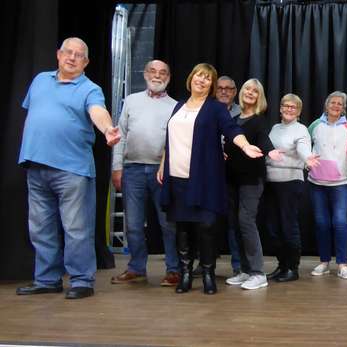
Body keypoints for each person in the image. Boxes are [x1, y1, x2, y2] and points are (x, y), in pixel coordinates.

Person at [16, 37, 121, 299]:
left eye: (79, 55)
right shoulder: (40, 80)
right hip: (36, 166)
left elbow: (98, 111)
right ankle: (47, 279)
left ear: (85, 62)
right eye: (68, 53)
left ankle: (82, 280)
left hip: (72, 170)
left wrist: (108, 129)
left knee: (76, 228)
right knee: (40, 228)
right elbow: (34, 112)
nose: (72, 58)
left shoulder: (90, 89)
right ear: (58, 55)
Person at [157, 63, 263, 295]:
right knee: (182, 228)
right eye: (199, 75)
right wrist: (164, 163)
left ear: (211, 85)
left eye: (207, 78)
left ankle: (207, 274)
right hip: (177, 178)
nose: (202, 80)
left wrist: (245, 146)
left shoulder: (215, 108)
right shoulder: (178, 106)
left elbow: (232, 129)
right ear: (191, 78)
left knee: (206, 227)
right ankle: (185, 275)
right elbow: (171, 138)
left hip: (203, 179)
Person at [110, 60, 179, 287]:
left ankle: (173, 270)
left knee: (168, 224)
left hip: (163, 173)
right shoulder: (131, 101)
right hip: (133, 170)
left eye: (163, 72)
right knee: (133, 225)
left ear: (169, 77)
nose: (157, 76)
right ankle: (136, 268)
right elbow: (120, 135)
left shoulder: (175, 106)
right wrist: (117, 167)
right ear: (145, 73)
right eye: (153, 71)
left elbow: (177, 142)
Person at [223, 79, 282, 290]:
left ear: (259, 97)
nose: (250, 92)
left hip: (251, 179)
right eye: (247, 88)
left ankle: (258, 273)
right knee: (235, 224)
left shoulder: (258, 120)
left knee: (246, 221)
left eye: (255, 91)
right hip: (231, 179)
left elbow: (264, 140)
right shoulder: (234, 119)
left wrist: (270, 151)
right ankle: (246, 270)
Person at [307, 91, 347, 280]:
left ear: (343, 108)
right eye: (332, 102)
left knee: (340, 222)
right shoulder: (315, 125)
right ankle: (324, 262)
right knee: (321, 223)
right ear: (326, 105)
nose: (335, 106)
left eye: (339, 104)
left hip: (340, 183)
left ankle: (342, 263)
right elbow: (303, 147)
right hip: (316, 182)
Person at [265, 94, 319, 282]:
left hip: (290, 182)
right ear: (280, 108)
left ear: (298, 111)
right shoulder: (275, 128)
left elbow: (304, 148)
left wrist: (308, 158)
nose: (289, 109)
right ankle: (282, 265)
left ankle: (292, 268)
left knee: (288, 225)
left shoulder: (301, 129)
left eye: (293, 107)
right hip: (270, 182)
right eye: (286, 106)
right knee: (273, 227)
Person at [213, 75, 242, 276]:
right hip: (210, 173)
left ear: (235, 91)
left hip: (235, 174)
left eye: (229, 88)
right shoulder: (207, 109)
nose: (224, 91)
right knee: (208, 221)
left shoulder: (244, 112)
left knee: (235, 222)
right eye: (220, 88)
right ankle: (206, 263)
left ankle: (238, 265)